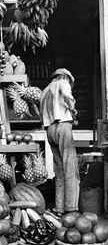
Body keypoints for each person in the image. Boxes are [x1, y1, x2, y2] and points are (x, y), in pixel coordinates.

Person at [40, 68, 80, 216]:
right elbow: (67, 95)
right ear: (65, 77)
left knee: (59, 170)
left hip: (50, 129)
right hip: (63, 126)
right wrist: (73, 109)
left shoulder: (44, 90)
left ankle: (59, 207)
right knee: (70, 166)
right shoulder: (63, 82)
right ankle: (71, 208)